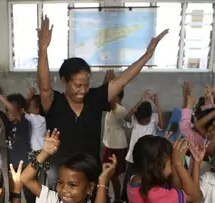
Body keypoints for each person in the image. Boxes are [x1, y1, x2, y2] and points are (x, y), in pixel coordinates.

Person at [37, 15, 169, 187]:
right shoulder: (54, 102)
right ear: (64, 80)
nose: (83, 90)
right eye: (77, 85)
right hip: (60, 172)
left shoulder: (95, 98)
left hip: (90, 170)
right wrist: (43, 50)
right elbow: (44, 85)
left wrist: (148, 54)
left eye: (86, 85)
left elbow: (123, 80)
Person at [0, 88, 41, 203]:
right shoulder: (8, 124)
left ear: (20, 111)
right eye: (7, 111)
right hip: (12, 165)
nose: (9, 113)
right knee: (14, 190)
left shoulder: (24, 123)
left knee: (29, 191)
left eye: (11, 111)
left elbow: (13, 109)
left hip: (27, 164)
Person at [120, 91, 162, 203]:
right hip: (133, 158)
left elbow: (162, 125)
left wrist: (157, 104)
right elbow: (126, 117)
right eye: (141, 119)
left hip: (149, 158)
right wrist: (139, 101)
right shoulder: (134, 119)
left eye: (146, 119)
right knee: (129, 180)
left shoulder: (154, 118)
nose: (144, 122)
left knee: (147, 181)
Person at [101, 70, 129, 203]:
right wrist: (106, 80)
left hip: (117, 147)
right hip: (109, 145)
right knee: (108, 173)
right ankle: (108, 198)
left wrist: (111, 82)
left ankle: (118, 201)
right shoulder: (111, 107)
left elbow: (109, 99)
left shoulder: (120, 109)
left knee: (113, 175)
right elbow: (101, 96)